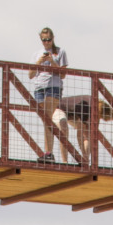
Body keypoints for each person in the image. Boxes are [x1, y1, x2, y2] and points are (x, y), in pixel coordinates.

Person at [31, 27, 67, 162]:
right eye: (44, 40)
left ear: (53, 39)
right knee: (45, 119)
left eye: (48, 40)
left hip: (54, 86)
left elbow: (63, 74)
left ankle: (48, 152)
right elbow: (30, 74)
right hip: (39, 87)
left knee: (47, 117)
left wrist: (52, 62)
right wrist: (39, 62)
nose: (46, 42)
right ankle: (48, 152)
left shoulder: (60, 52)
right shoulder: (37, 54)